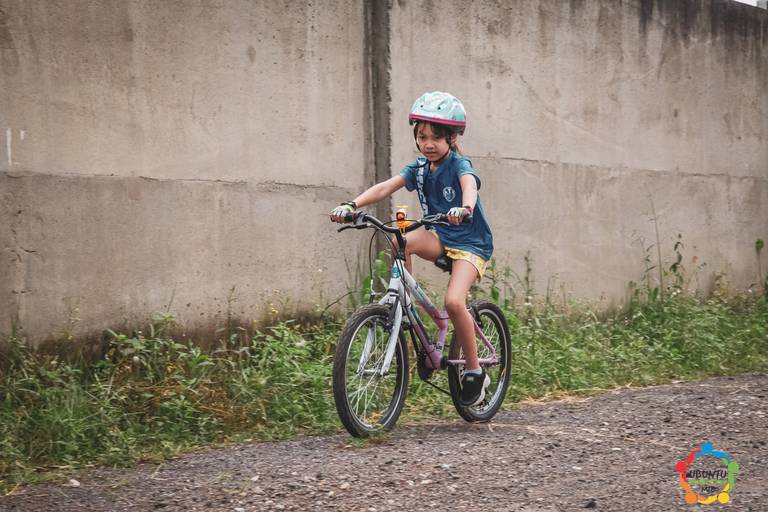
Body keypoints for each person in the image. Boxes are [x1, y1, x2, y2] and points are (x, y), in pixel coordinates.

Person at [330, 91, 494, 407]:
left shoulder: (459, 164)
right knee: (400, 240)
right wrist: (352, 204)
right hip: (442, 236)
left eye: (436, 137)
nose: (428, 144)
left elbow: (469, 186)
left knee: (454, 301)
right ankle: (404, 302)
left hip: (470, 244)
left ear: (452, 138)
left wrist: (465, 207)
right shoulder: (418, 169)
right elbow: (385, 187)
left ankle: (474, 371)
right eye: (422, 137)